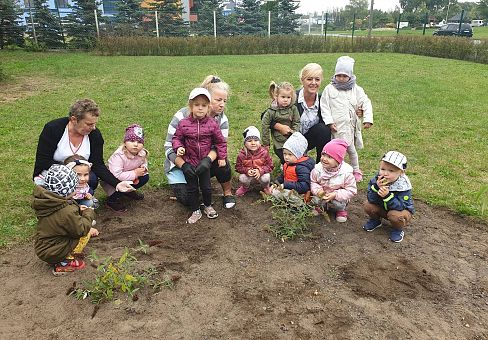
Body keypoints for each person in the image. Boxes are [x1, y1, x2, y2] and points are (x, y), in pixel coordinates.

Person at [33, 99, 135, 212]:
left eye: (95, 123)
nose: (94, 128)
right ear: (74, 120)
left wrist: (118, 184)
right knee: (72, 180)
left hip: (80, 174)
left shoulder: (94, 135)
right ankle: (57, 203)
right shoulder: (53, 128)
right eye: (89, 124)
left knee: (91, 178)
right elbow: (43, 161)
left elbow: (97, 164)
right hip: (53, 173)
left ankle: (79, 200)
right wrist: (70, 170)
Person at [164, 75, 236, 209]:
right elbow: (169, 146)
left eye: (225, 101)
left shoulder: (222, 120)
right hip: (181, 163)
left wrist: (208, 160)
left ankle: (227, 193)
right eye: (218, 100)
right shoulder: (182, 116)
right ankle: (192, 184)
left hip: (204, 161)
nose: (222, 104)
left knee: (223, 161)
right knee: (188, 199)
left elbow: (219, 145)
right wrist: (183, 164)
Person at [172, 88, 227, 224]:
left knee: (206, 187)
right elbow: (176, 138)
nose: (200, 108)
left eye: (204, 105)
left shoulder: (212, 124)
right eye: (197, 105)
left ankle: (208, 206)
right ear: (191, 106)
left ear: (208, 107)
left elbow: (220, 141)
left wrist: (221, 157)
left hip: (204, 162)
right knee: (192, 188)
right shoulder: (183, 123)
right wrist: (178, 148)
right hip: (189, 161)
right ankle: (195, 210)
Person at [32, 164, 99, 275]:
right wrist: (88, 213)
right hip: (53, 251)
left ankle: (61, 257)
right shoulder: (66, 211)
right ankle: (64, 262)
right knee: (84, 234)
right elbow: (80, 229)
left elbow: (61, 217)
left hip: (45, 246)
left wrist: (78, 210)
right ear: (68, 190)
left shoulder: (50, 201)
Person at [320, 56, 373, 182]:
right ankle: (337, 170)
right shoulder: (329, 89)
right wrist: (329, 122)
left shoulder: (356, 89)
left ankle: (356, 169)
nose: (341, 79)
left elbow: (365, 102)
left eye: (345, 76)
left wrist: (367, 119)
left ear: (350, 76)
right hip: (336, 129)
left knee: (351, 150)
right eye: (339, 75)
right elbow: (324, 106)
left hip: (349, 128)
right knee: (336, 152)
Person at [272, 63, 332, 164]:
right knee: (296, 170)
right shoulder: (290, 97)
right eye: (309, 79)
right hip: (288, 140)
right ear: (302, 80)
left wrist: (357, 111)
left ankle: (321, 167)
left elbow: (339, 112)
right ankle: (288, 159)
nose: (313, 83)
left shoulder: (323, 99)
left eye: (317, 79)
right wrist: (279, 127)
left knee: (324, 129)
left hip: (307, 139)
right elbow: (266, 115)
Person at [363, 151, 415, 243]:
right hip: (384, 208)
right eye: (383, 169)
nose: (385, 173)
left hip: (400, 211)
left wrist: (387, 196)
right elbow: (371, 198)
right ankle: (376, 220)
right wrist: (376, 187)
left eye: (391, 171)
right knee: (368, 205)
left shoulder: (403, 186)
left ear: (401, 173)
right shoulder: (377, 179)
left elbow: (400, 207)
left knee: (395, 216)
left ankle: (398, 229)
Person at [310, 139, 357, 223]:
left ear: (338, 160)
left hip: (337, 197)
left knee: (338, 204)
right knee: (316, 200)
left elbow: (351, 190)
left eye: (329, 157)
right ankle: (321, 207)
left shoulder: (346, 173)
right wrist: (318, 191)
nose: (324, 159)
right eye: (323, 155)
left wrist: (335, 194)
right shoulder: (318, 169)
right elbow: (313, 182)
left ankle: (341, 210)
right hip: (323, 194)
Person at [101, 124, 149, 203]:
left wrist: (144, 167)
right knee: (116, 189)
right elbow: (116, 175)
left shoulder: (141, 152)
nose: (136, 144)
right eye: (132, 141)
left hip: (130, 177)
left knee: (145, 177)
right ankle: (112, 201)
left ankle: (128, 192)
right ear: (125, 142)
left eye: (139, 142)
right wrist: (135, 173)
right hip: (113, 182)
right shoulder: (119, 156)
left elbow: (143, 161)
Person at [261, 81, 301, 164]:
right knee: (285, 160)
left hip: (292, 139)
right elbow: (265, 125)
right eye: (283, 97)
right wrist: (266, 143)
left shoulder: (293, 109)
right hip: (279, 142)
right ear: (276, 96)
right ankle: (284, 164)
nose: (285, 100)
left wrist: (294, 133)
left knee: (296, 160)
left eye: (288, 97)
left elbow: (297, 122)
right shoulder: (271, 111)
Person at [271, 132, 315, 198]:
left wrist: (285, 185)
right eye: (284, 154)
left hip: (299, 193)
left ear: (298, 154)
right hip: (289, 189)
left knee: (277, 194)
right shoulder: (288, 163)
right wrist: (276, 183)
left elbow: (304, 186)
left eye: (290, 154)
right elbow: (282, 176)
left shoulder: (302, 167)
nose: (286, 157)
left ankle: (299, 204)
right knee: (274, 191)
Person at [235, 126, 274, 197]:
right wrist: (247, 171)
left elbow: (270, 166)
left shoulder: (264, 152)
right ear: (245, 143)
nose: (253, 143)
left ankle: (265, 187)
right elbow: (238, 167)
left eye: (256, 140)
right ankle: (245, 187)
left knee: (266, 177)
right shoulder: (242, 155)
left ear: (259, 142)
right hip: (249, 176)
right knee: (242, 177)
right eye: (249, 141)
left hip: (261, 175)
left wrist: (260, 170)